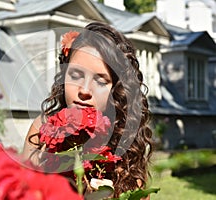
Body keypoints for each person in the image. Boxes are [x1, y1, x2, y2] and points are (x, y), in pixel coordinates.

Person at [22, 22, 153, 198]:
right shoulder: (43, 130)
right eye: (75, 75)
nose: (84, 90)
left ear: (117, 91)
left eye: (100, 81)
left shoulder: (126, 147)